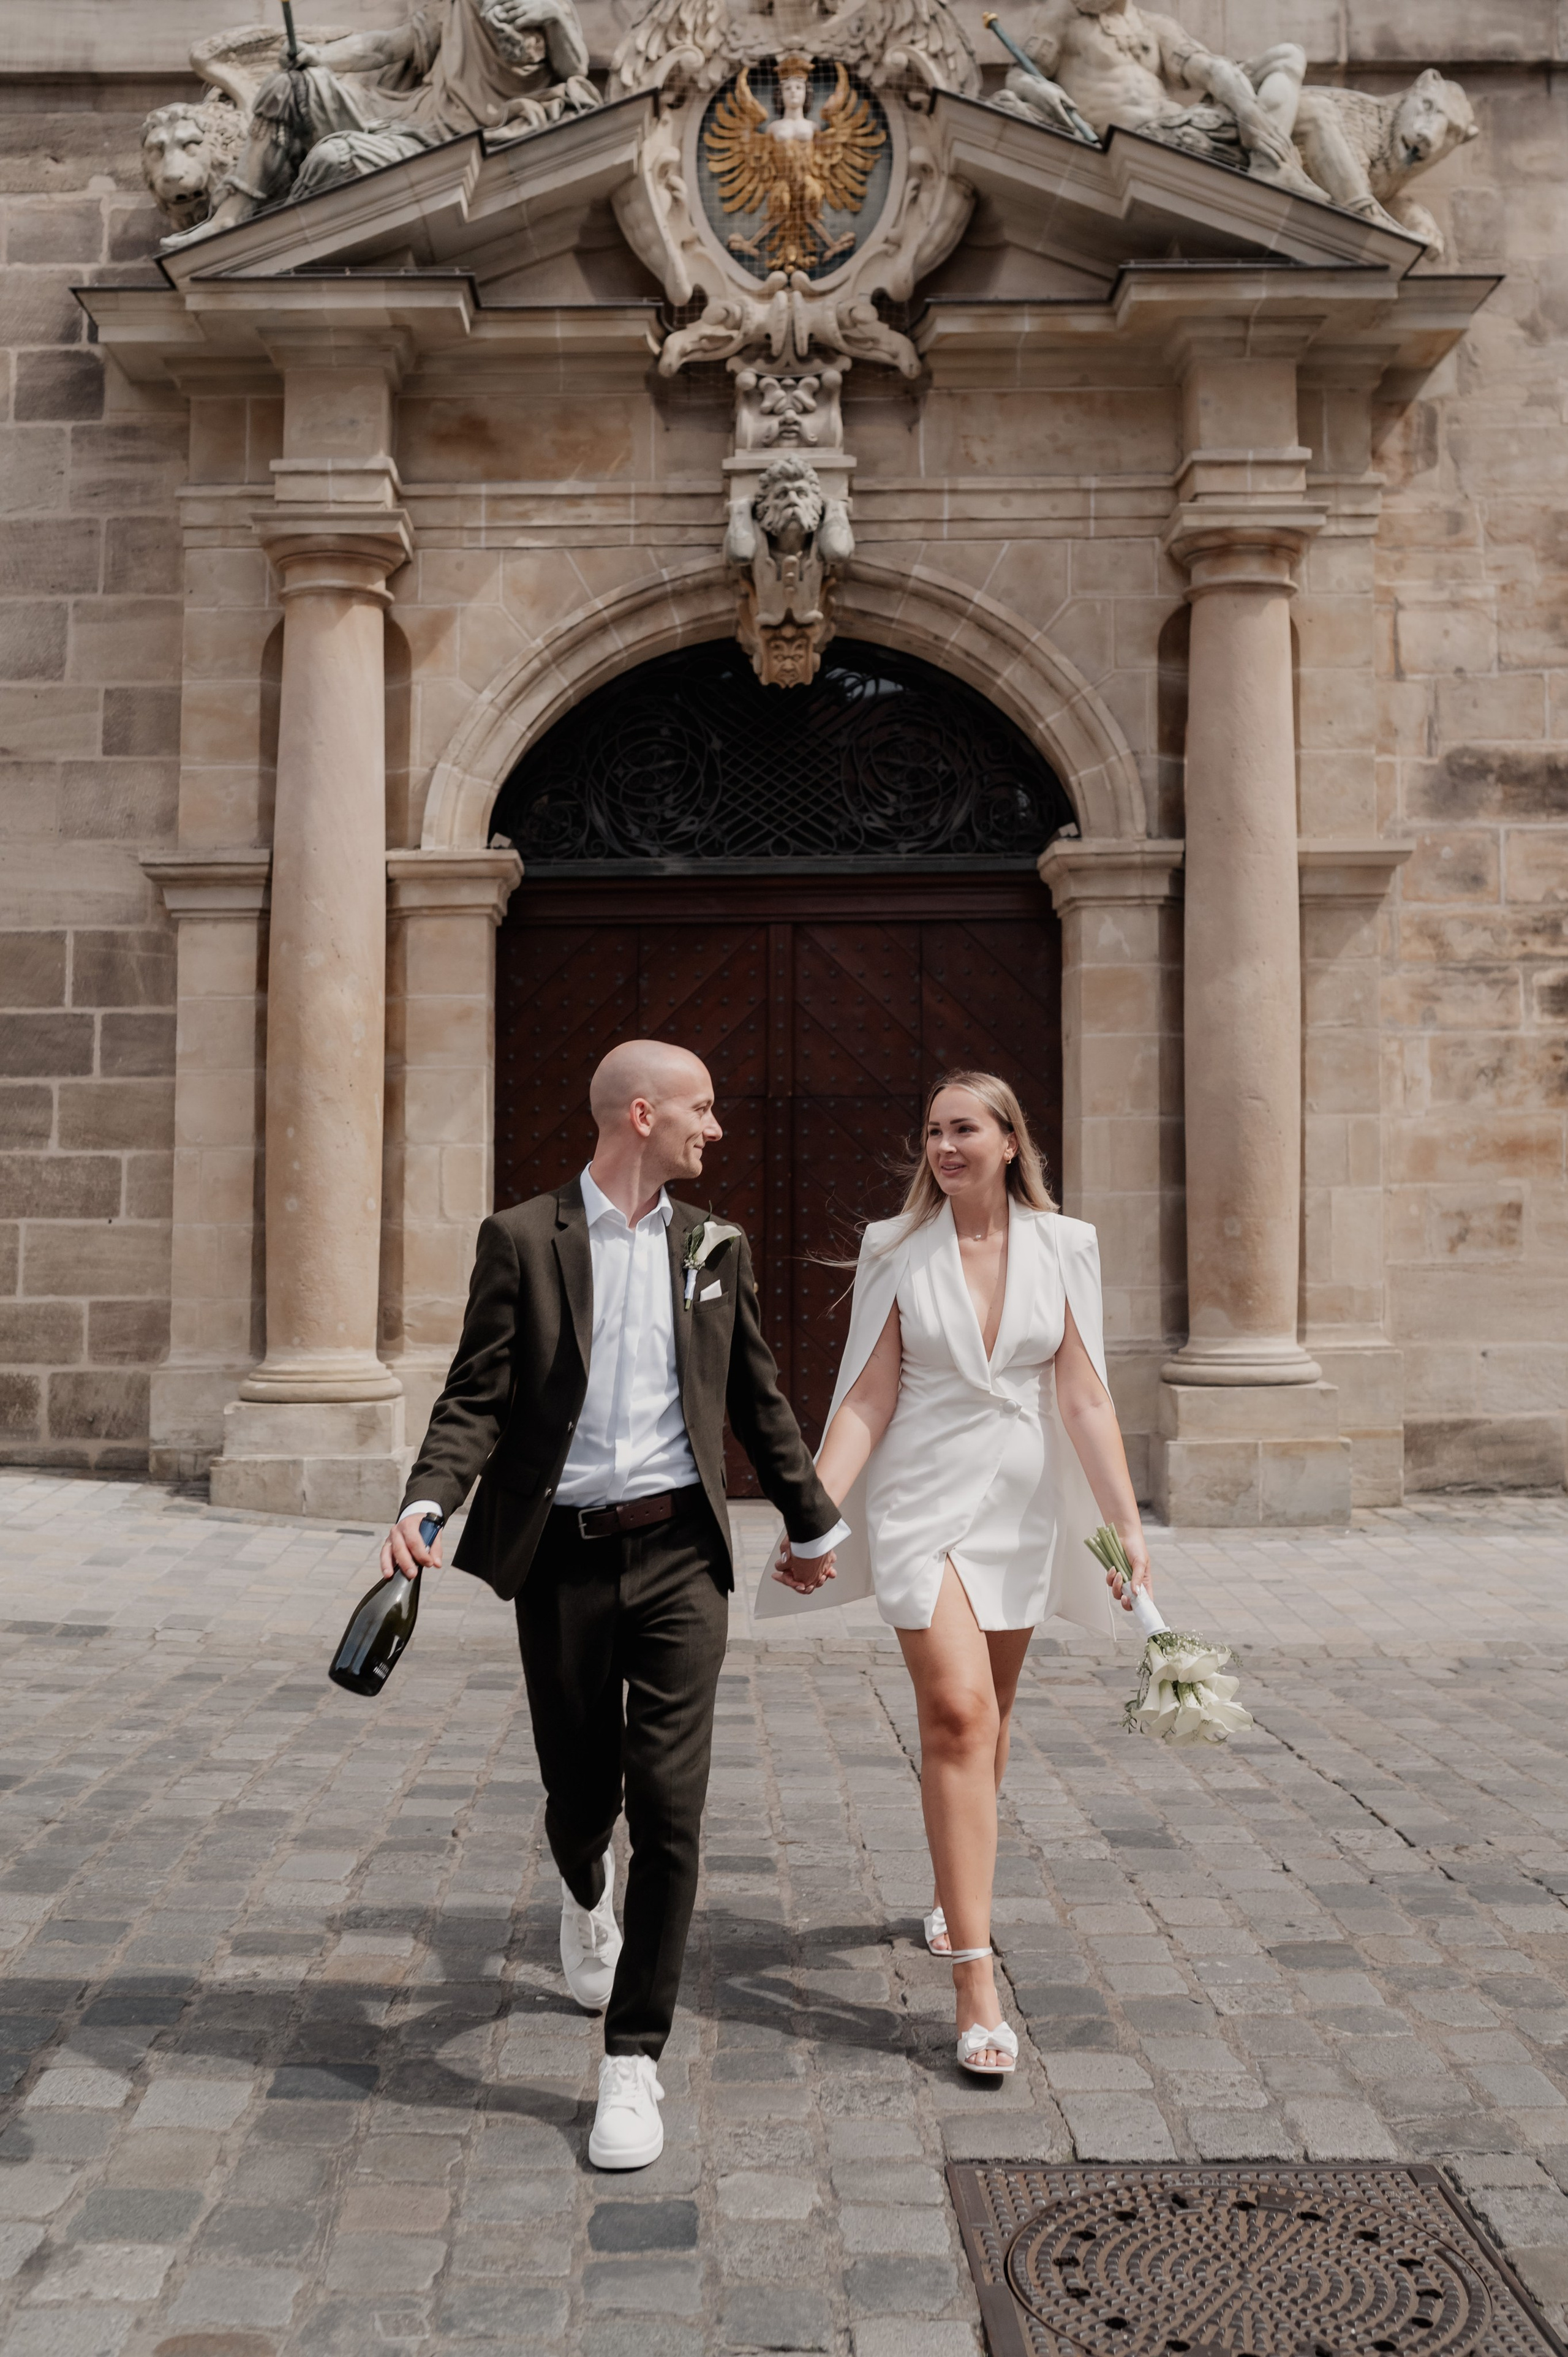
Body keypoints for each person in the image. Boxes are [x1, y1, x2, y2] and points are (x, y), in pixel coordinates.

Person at [381, 1040, 846, 2168]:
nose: (717, 1128)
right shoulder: (521, 1239)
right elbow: (475, 1393)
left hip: (684, 1550)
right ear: (642, 1114)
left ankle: (632, 2060)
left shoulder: (714, 1246)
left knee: (673, 1806)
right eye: (701, 1107)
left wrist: (813, 1515)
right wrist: (429, 1500)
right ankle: (585, 1888)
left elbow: (756, 1393)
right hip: (564, 1560)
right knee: (579, 1787)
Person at [772, 1070, 1150, 2077]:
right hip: (919, 1505)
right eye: (933, 1131)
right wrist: (813, 1519)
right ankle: (974, 1979)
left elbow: (1085, 1396)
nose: (945, 1147)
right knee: (957, 1714)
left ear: (1011, 1142)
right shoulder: (896, 1249)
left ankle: (955, 1888)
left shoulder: (1067, 1247)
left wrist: (1125, 1522)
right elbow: (865, 1397)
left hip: (1023, 1509)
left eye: (964, 1130)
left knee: (994, 1712)